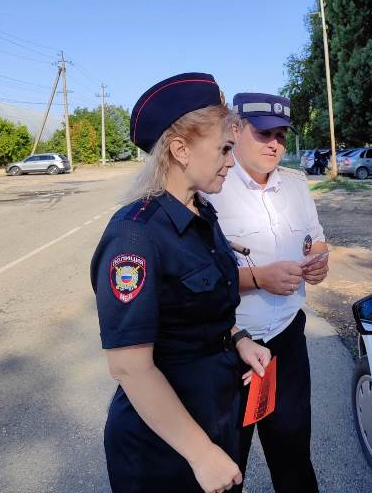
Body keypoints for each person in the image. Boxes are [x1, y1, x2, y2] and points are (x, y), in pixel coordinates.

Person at [90, 73, 272, 493]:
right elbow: (129, 367)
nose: (232, 159)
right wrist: (200, 453)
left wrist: (238, 339)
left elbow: (202, 306)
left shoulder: (202, 214)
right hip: (163, 448)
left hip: (214, 418)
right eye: (225, 148)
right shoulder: (134, 236)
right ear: (180, 149)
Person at [204, 92, 329, 493]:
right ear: (236, 131)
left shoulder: (294, 185)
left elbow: (317, 240)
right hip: (230, 345)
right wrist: (260, 278)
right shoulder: (211, 189)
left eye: (280, 134)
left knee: (293, 455)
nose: (275, 143)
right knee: (227, 464)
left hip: (287, 340)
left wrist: (320, 261)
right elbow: (199, 275)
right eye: (263, 133)